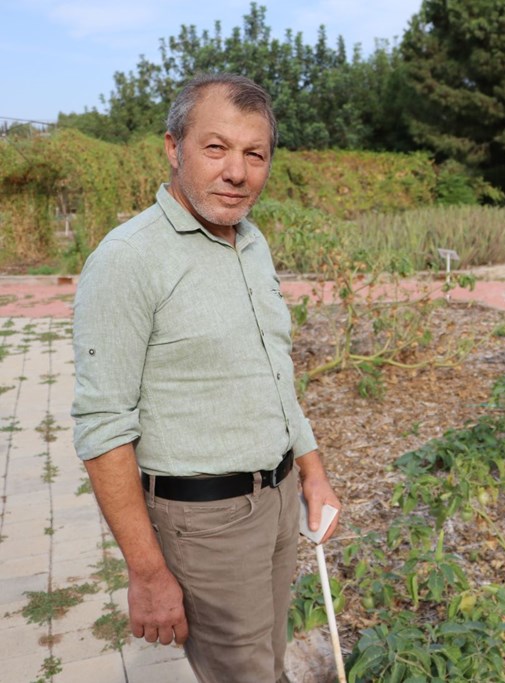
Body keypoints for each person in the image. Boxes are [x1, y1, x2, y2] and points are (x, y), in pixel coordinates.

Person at [71, 73, 341, 683]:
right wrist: (146, 573)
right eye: (216, 148)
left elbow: (276, 373)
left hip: (277, 504)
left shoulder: (252, 243)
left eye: (255, 154)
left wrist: (313, 475)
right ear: (174, 148)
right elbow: (102, 428)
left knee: (266, 660)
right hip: (207, 525)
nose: (238, 172)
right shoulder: (128, 260)